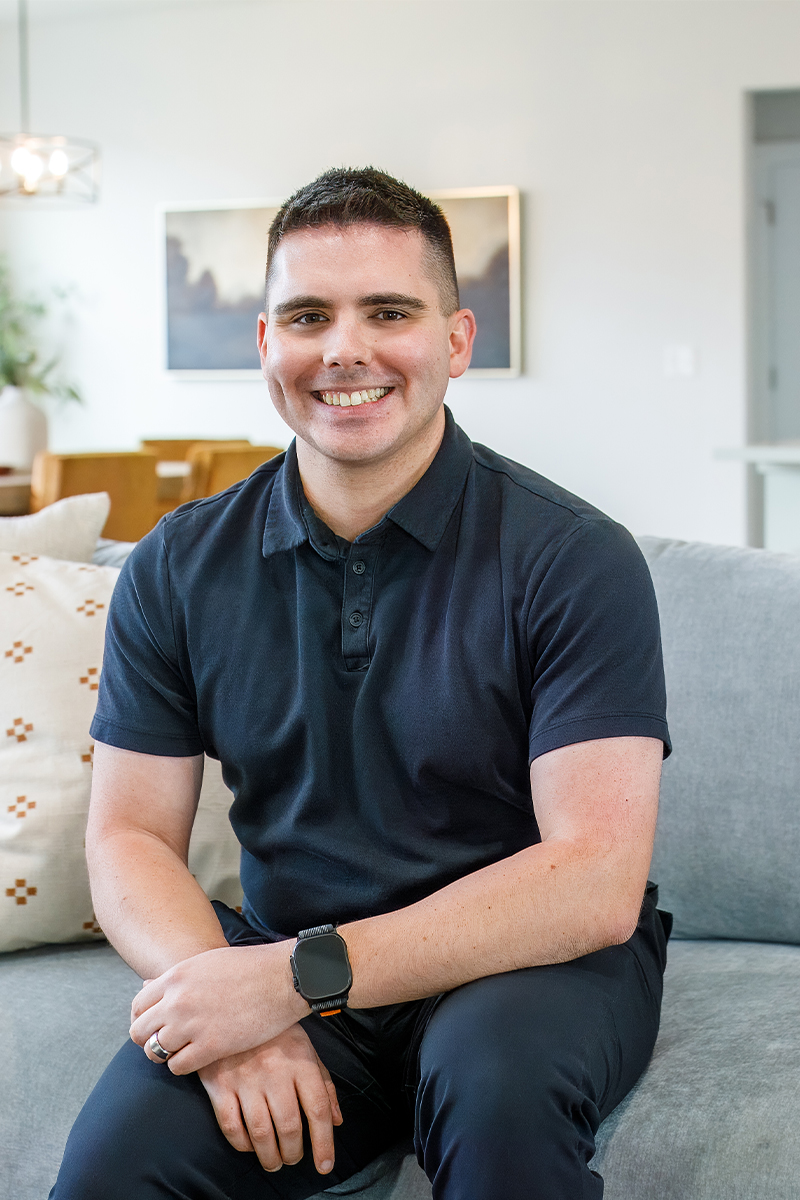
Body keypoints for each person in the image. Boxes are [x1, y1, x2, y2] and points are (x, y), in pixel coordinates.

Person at [51, 166, 671, 1200]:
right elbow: (126, 837)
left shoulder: (573, 557)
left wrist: (294, 981)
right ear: (264, 346)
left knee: (496, 1096)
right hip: (282, 952)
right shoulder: (176, 563)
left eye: (388, 310)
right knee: (109, 1173)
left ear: (455, 341)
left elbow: (594, 875)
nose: (344, 349)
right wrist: (220, 1004)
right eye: (306, 315)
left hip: (520, 966)